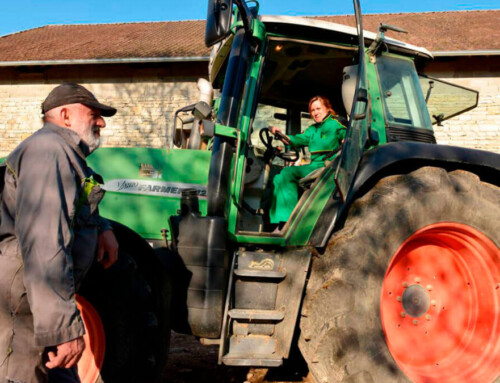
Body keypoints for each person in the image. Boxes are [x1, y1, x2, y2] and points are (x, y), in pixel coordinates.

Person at [0, 83, 119, 383]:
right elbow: (44, 246)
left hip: (43, 304)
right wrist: (63, 330)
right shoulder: (48, 153)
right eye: (94, 114)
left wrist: (102, 227)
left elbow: (78, 196)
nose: (102, 122)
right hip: (26, 305)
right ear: (65, 115)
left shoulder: (65, 154)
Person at [269, 95, 346, 228]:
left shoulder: (337, 124)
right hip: (313, 165)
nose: (315, 113)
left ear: (327, 108)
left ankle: (288, 222)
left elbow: (349, 139)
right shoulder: (312, 129)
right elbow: (297, 139)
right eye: (312, 110)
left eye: (318, 108)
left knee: (288, 172)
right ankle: (277, 222)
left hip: (328, 165)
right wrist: (280, 134)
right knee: (277, 177)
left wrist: (346, 142)